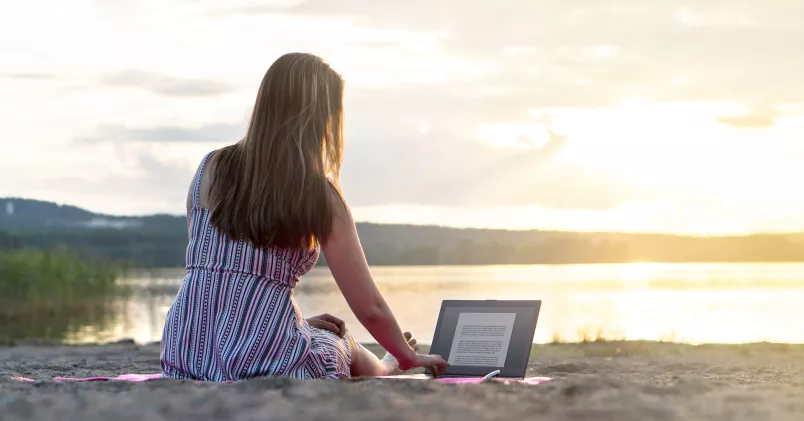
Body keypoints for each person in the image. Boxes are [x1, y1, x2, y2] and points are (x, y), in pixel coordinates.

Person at [159, 52, 449, 381]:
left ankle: (302, 334)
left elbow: (218, 278)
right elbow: (369, 306)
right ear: (321, 117)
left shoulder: (209, 168)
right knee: (340, 342)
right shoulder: (318, 195)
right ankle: (388, 367)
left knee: (317, 333)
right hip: (256, 363)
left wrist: (292, 323)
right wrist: (407, 354)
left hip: (183, 350)